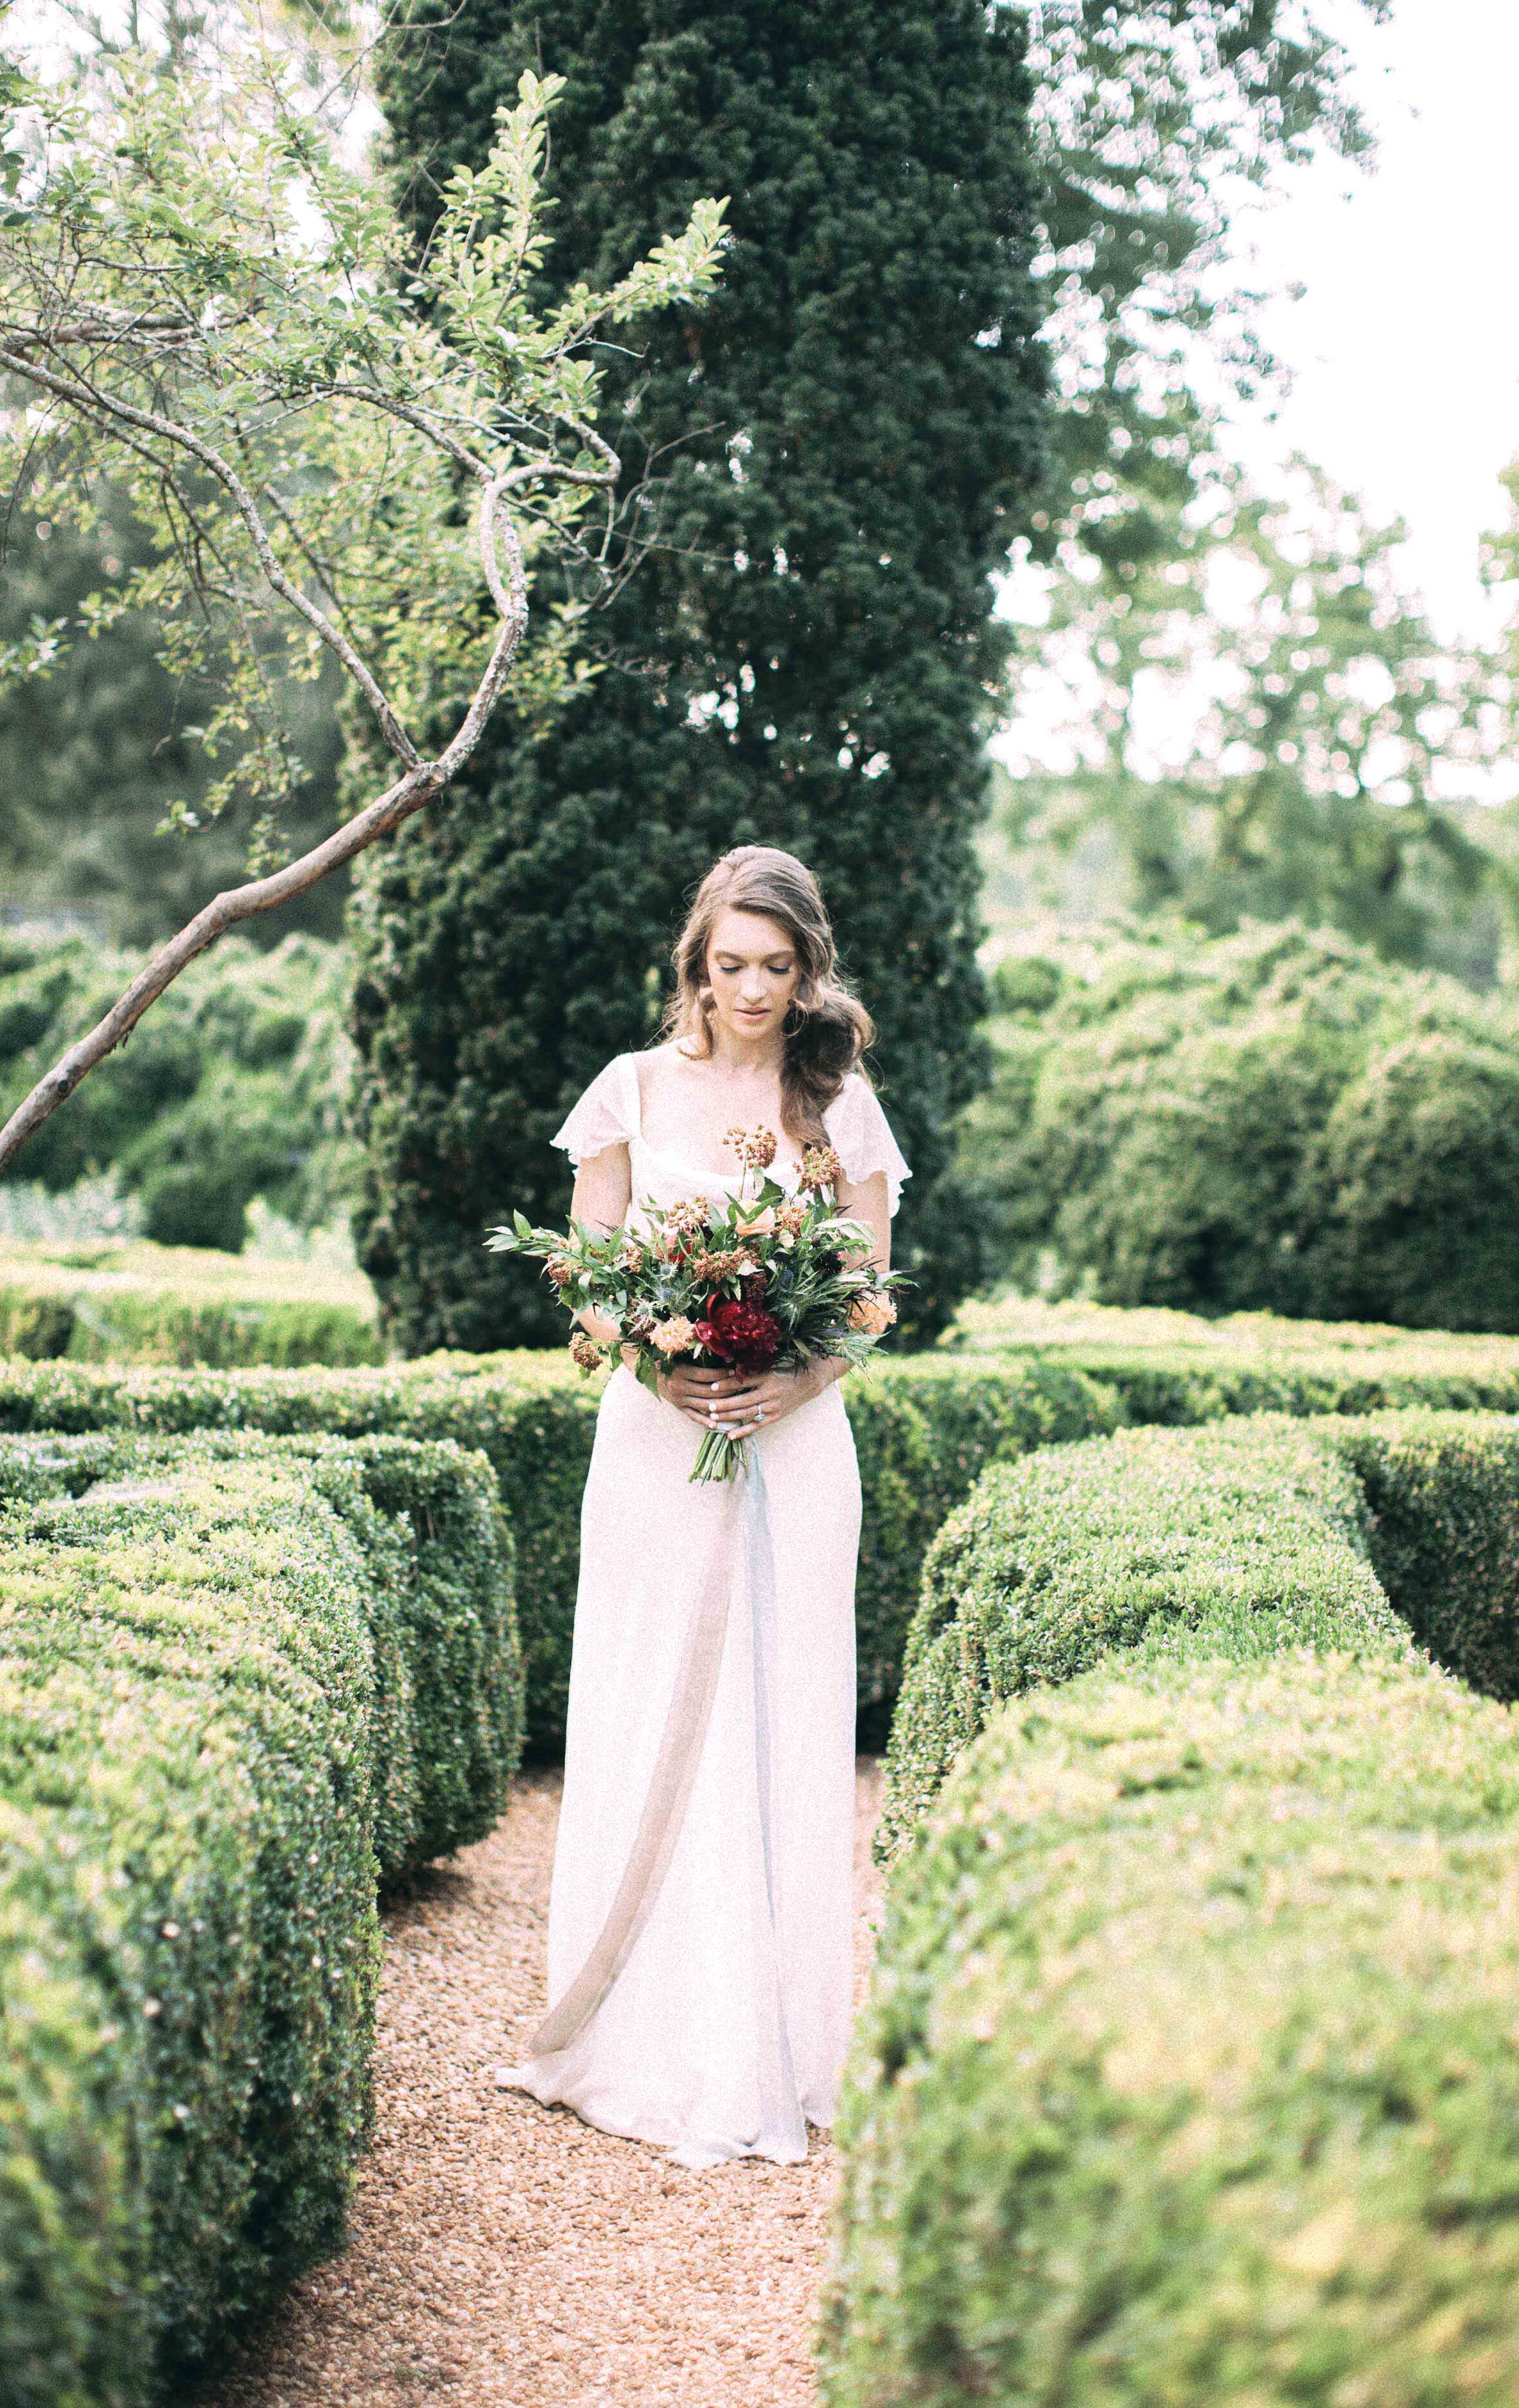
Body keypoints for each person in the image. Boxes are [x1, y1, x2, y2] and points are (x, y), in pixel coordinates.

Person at [496, 846, 910, 2168]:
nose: (749, 988)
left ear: (806, 972)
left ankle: (767, 2049)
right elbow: (586, 1273)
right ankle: (639, 2034)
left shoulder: (836, 1104)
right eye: (729, 964)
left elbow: (866, 1297)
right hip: (654, 1438)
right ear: (695, 960)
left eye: (775, 967)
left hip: (795, 1443)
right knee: (647, 1701)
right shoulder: (626, 1089)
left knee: (775, 1718)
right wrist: (657, 1360)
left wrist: (793, 1383)